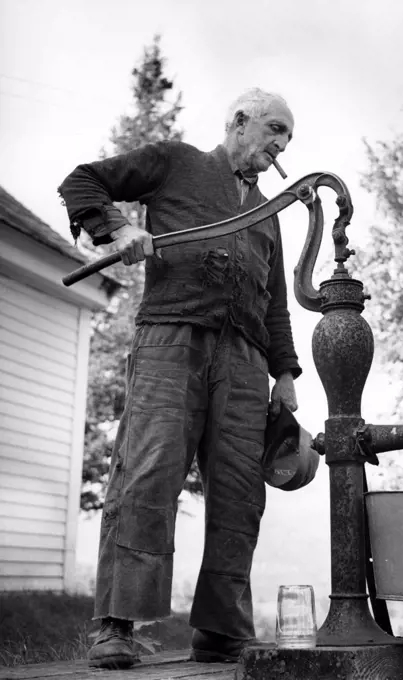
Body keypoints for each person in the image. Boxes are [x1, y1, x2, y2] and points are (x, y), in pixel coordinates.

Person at [58, 88, 302, 669]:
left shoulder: (268, 214)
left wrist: (286, 375)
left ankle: (220, 629)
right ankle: (115, 625)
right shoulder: (178, 162)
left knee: (242, 494)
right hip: (172, 340)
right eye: (273, 128)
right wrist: (118, 231)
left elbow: (275, 305)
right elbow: (82, 181)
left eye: (288, 138)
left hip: (244, 360)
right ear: (238, 122)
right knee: (147, 473)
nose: (280, 144)